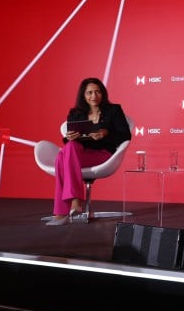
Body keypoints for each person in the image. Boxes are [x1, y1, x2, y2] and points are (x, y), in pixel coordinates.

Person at [48, 77, 131, 225]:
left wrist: (105, 133)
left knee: (61, 158)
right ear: (83, 95)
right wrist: (70, 136)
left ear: (103, 93)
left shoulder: (114, 110)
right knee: (68, 149)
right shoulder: (75, 113)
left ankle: (63, 209)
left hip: (102, 154)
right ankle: (73, 201)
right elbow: (68, 141)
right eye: (90, 92)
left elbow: (125, 135)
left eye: (98, 92)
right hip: (80, 153)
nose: (94, 96)